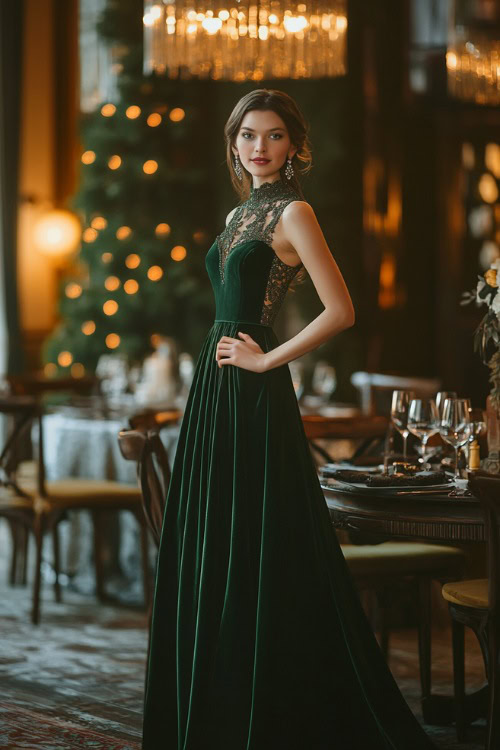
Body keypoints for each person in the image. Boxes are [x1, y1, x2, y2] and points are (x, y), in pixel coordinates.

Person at [142, 88, 435, 750]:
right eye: (249, 135)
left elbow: (341, 310)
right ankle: (217, 692)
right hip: (215, 388)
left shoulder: (294, 210)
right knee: (219, 539)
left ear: (293, 146)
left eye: (273, 136)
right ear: (235, 142)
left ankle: (267, 704)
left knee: (261, 540)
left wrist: (267, 360)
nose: (259, 147)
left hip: (254, 386)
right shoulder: (238, 211)